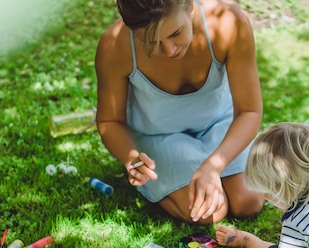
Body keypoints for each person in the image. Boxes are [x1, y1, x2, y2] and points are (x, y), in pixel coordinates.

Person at [95, 0, 265, 224]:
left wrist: (213, 166)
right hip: (159, 136)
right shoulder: (114, 45)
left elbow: (249, 111)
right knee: (209, 213)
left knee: (248, 201)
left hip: (219, 123)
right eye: (151, 41)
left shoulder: (228, 21)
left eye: (175, 33)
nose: (169, 50)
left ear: (190, 6)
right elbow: (110, 120)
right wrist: (131, 157)